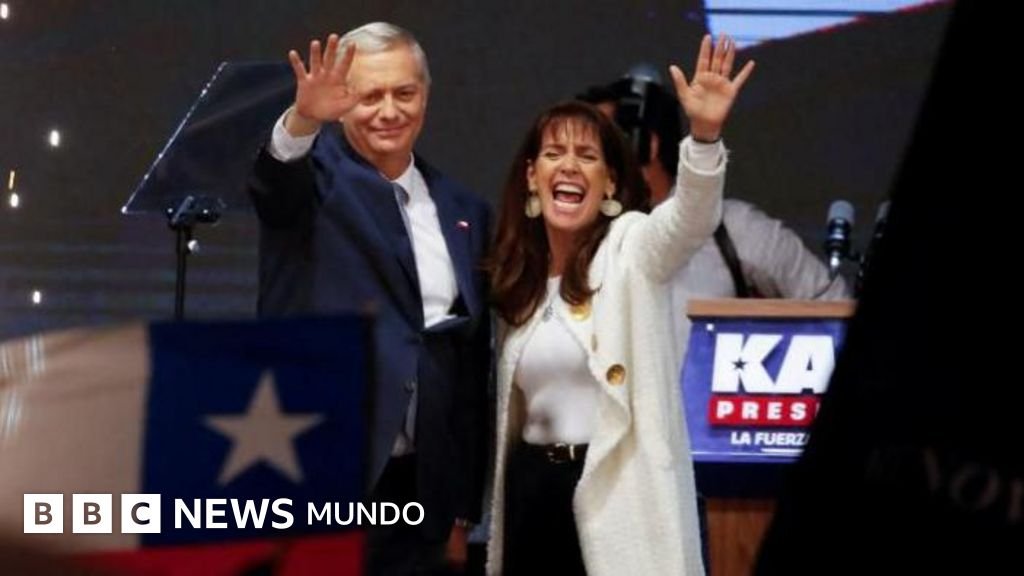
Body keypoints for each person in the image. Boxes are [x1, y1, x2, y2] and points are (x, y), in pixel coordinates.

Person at [486, 35, 753, 575]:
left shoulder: (632, 246)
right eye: (554, 154)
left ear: (610, 182)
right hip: (532, 493)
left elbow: (690, 220)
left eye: (587, 156)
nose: (568, 166)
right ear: (532, 176)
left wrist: (703, 136)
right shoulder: (523, 280)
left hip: (614, 495)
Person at [247, 22, 491, 575]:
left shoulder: (464, 209)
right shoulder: (313, 182)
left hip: (421, 491)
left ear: (426, 94)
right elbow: (272, 182)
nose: (389, 111)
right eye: (369, 95)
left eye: (404, 93)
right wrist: (303, 118)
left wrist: (461, 506)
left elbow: (468, 363)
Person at [579, 70, 849, 350]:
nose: (580, 164)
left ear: (648, 145)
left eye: (597, 147)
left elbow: (832, 306)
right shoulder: (581, 236)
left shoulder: (733, 227)